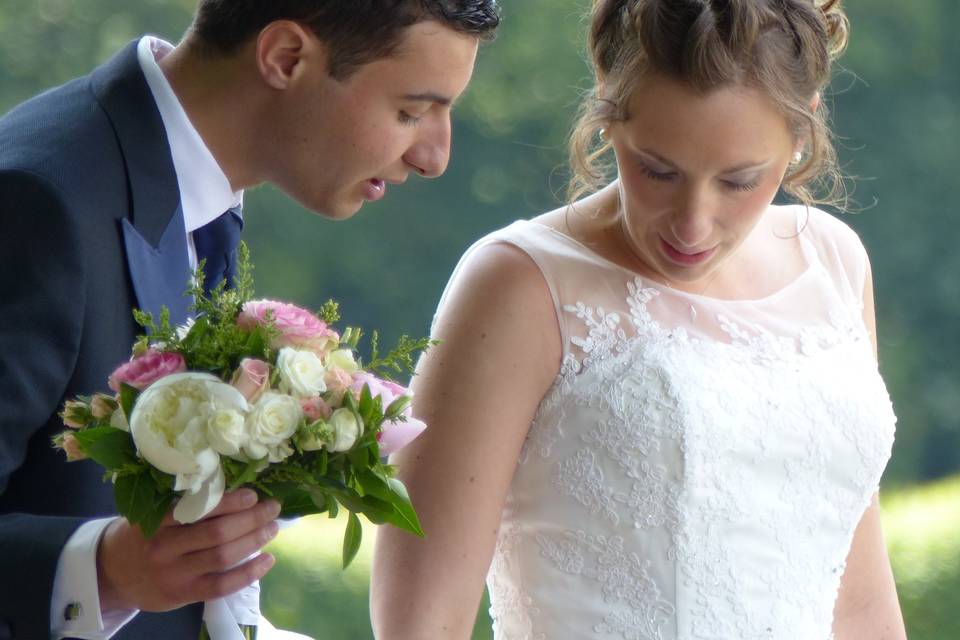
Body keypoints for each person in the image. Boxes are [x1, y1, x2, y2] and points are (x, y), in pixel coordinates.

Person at [370, 0, 907, 638]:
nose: (692, 224)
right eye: (658, 170)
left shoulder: (834, 261)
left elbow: (862, 602)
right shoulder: (518, 284)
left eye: (739, 181)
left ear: (802, 131)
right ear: (607, 107)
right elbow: (421, 625)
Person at [0, 1, 499, 638]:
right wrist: (105, 572)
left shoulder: (200, 190)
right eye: (410, 111)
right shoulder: (38, 202)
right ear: (286, 58)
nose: (434, 156)